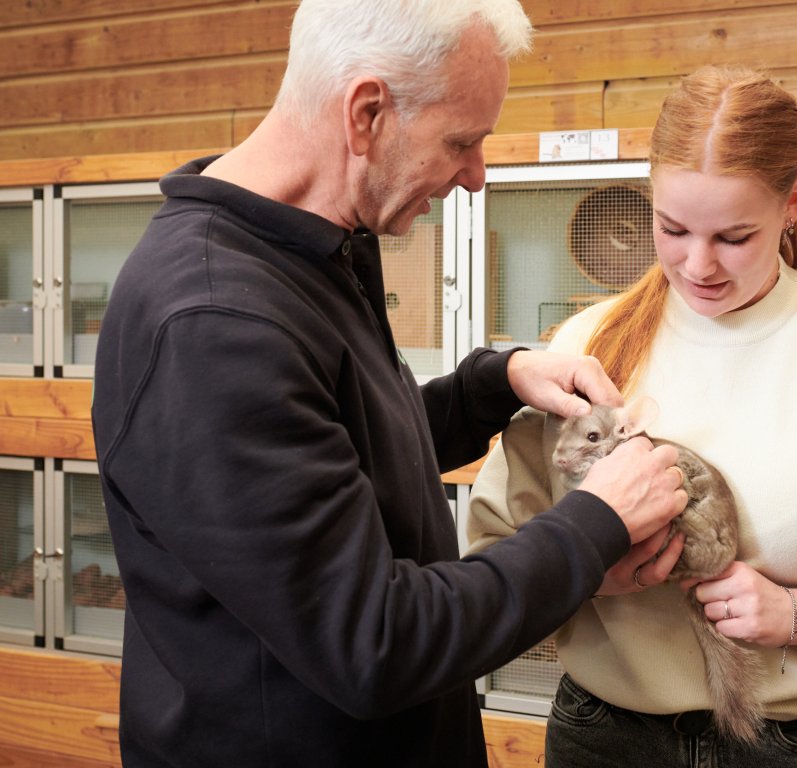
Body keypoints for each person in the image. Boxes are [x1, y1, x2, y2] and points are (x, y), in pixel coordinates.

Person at [90, 2, 689, 766]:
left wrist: (494, 383)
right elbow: (373, 641)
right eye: (462, 141)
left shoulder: (315, 246)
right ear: (367, 113)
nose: (475, 177)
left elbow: (339, 451)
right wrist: (593, 524)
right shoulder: (215, 322)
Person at [468, 65, 797, 767]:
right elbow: (495, 551)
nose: (698, 264)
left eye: (734, 237)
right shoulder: (588, 350)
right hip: (602, 733)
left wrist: (794, 615)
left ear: (792, 201)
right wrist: (587, 570)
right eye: (672, 229)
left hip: (792, 742)